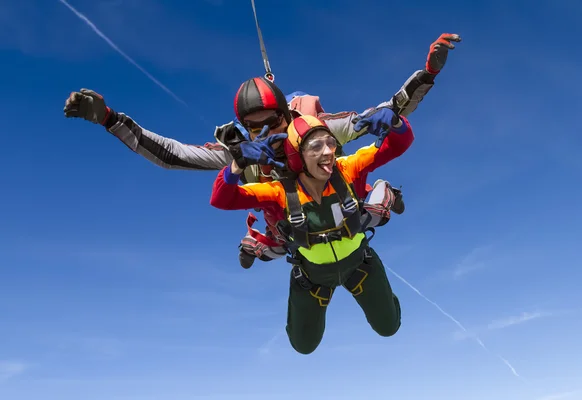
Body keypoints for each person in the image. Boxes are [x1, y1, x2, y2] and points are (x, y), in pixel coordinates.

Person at [62, 33, 461, 267]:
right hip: (292, 219)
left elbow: (386, 113)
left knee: (368, 215)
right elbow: (174, 156)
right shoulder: (245, 149)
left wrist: (427, 73)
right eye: (252, 128)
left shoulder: (317, 130)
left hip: (340, 201)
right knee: (273, 240)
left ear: (285, 113)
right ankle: (266, 242)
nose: (262, 134)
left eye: (270, 123)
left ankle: (385, 194)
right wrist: (112, 120)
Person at [209, 111, 414, 354]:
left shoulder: (347, 168)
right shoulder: (279, 192)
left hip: (359, 265)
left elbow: (400, 143)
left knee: (389, 327)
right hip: (313, 278)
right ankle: (253, 245)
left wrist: (396, 123)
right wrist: (237, 165)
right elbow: (222, 199)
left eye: (330, 143)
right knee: (303, 345)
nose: (328, 152)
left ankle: (384, 194)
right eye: (316, 146)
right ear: (298, 157)